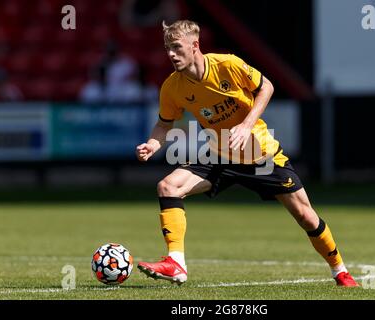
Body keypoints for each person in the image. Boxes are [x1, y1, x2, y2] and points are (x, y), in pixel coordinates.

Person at [135, 20, 358, 287]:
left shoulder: (227, 65)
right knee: (168, 186)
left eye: (176, 47)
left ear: (195, 46)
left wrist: (246, 124)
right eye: (167, 48)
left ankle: (340, 271)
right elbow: (164, 123)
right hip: (219, 155)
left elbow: (267, 87)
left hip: (259, 154)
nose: (170, 54)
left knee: (305, 216)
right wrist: (153, 143)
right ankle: (176, 263)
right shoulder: (172, 87)